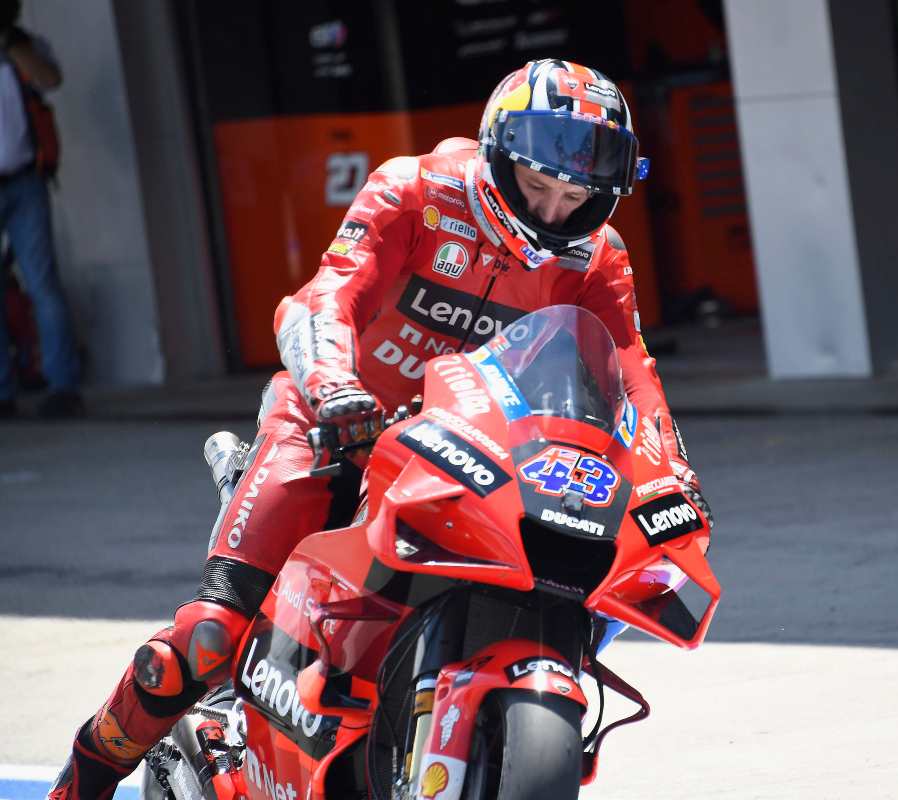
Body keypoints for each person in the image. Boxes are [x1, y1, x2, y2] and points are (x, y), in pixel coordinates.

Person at [50, 58, 712, 799]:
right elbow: (322, 296)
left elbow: (633, 375)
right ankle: (80, 782)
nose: (554, 213)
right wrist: (335, 389)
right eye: (537, 189)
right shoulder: (415, 190)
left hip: (480, 456)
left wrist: (670, 474)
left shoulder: (599, 259)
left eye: (576, 196)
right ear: (497, 156)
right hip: (336, 429)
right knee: (204, 642)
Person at [0, 0, 81, 419]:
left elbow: (51, 79)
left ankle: (64, 385)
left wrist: (14, 44)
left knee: (42, 283)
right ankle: (3, 392)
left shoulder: (24, 47)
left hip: (24, 179)